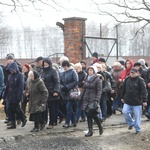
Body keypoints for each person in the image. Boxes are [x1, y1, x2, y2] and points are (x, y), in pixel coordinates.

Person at [121, 67, 147, 134]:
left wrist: (144, 100)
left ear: (137, 73)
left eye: (133, 73)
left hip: (137, 101)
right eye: (131, 73)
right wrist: (122, 97)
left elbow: (144, 91)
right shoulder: (127, 79)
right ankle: (131, 123)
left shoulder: (140, 80)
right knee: (125, 111)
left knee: (137, 116)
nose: (131, 74)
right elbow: (123, 89)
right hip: (128, 100)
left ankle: (137, 129)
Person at [3, 62, 27, 129]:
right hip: (10, 96)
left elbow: (21, 87)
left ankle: (23, 118)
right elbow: (7, 87)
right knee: (10, 109)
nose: (11, 71)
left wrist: (19, 97)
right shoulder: (10, 76)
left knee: (16, 108)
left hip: (16, 95)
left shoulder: (20, 75)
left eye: (11, 69)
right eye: (10, 70)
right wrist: (4, 96)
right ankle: (13, 123)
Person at [81, 65, 103, 137]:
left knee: (89, 113)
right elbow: (84, 88)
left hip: (93, 99)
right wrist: (80, 96)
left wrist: (97, 100)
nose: (89, 71)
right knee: (88, 114)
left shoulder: (97, 79)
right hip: (86, 98)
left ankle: (96, 127)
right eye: (89, 70)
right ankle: (91, 130)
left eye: (91, 70)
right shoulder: (87, 78)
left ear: (94, 71)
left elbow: (99, 91)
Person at [40, 57, 60, 129]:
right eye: (44, 62)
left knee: (52, 109)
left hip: (51, 92)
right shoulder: (42, 71)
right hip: (44, 92)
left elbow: (57, 82)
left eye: (46, 63)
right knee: (44, 108)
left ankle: (52, 122)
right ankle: (44, 121)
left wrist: (56, 91)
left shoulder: (53, 71)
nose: (45, 64)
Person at [60, 60, 78, 128]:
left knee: (68, 107)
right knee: (69, 108)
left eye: (65, 67)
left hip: (72, 92)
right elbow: (60, 82)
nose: (64, 68)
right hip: (65, 93)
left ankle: (67, 122)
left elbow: (75, 81)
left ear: (67, 66)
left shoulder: (73, 72)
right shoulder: (62, 73)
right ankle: (73, 122)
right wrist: (62, 87)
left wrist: (67, 87)